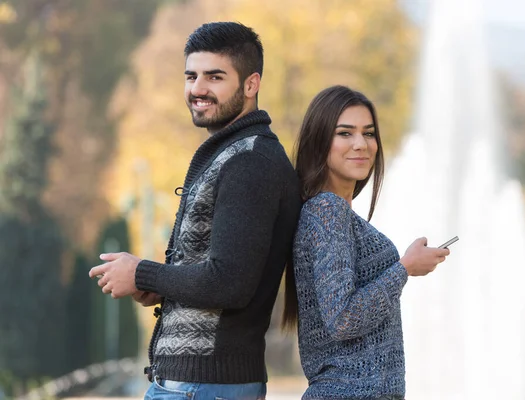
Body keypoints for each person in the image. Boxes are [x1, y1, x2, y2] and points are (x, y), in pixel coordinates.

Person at [89, 22, 302, 400]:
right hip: (198, 386)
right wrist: (155, 284)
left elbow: (230, 282)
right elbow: (221, 270)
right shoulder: (233, 154)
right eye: (191, 76)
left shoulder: (250, 161)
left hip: (203, 387)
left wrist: (143, 271)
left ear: (251, 85)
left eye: (214, 77)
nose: (197, 89)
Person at [284, 85, 450, 400]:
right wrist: (404, 269)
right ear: (320, 141)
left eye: (369, 133)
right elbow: (343, 318)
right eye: (345, 133)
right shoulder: (327, 210)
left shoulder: (333, 212)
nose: (361, 144)